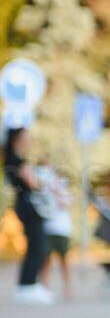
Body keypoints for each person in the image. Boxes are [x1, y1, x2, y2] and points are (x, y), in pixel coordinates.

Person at [4, 127, 54, 306]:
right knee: (38, 246)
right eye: (26, 137)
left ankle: (27, 285)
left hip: (24, 206)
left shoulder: (12, 160)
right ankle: (28, 286)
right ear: (18, 139)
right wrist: (44, 181)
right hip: (30, 207)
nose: (29, 140)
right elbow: (34, 184)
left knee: (35, 246)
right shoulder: (18, 162)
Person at [36, 162, 74, 302]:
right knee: (46, 260)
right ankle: (43, 286)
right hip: (48, 229)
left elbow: (65, 204)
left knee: (64, 260)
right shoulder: (44, 188)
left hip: (62, 230)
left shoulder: (64, 189)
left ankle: (67, 288)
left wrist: (56, 189)